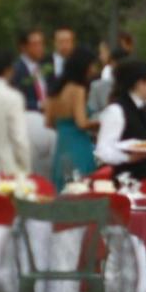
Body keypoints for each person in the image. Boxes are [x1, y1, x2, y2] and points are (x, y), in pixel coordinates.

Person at [45, 47, 99, 190]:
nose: (94, 69)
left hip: (62, 145)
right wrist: (101, 123)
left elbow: (48, 122)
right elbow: (81, 123)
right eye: (92, 65)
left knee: (63, 186)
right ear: (84, 66)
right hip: (78, 145)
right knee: (80, 187)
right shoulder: (78, 90)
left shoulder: (55, 90)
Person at [10, 28, 48, 111]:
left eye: (41, 43)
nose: (40, 47)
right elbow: (14, 100)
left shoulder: (44, 66)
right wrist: (39, 105)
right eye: (35, 44)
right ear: (23, 47)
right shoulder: (16, 70)